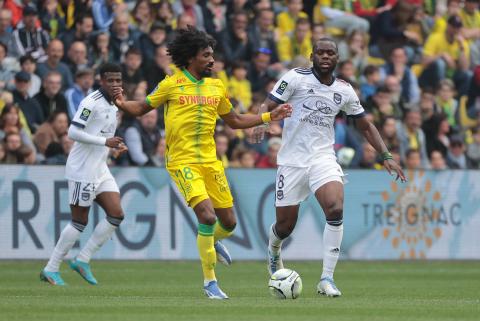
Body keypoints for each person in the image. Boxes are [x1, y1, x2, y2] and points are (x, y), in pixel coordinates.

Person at [112, 26, 292, 299]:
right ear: (191, 57)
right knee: (207, 217)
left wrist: (270, 117)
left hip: (211, 161)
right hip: (182, 162)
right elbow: (142, 108)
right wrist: (121, 102)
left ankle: (212, 241)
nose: (212, 59)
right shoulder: (171, 84)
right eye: (206, 55)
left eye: (212, 54)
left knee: (229, 223)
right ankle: (210, 283)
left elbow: (234, 122)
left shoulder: (216, 86)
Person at [251, 37, 405, 297]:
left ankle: (327, 278)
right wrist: (261, 121)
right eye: (320, 52)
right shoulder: (295, 78)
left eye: (330, 53)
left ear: (337, 59)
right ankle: (274, 249)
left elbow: (364, 124)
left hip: (322, 158)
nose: (325, 56)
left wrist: (385, 154)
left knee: (335, 206)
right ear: (312, 56)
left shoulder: (344, 90)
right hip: (291, 162)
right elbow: (269, 102)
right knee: (285, 226)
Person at [40, 63, 128, 286]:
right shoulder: (91, 102)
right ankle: (51, 269)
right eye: (111, 80)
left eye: (118, 80)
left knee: (116, 214)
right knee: (79, 221)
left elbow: (103, 134)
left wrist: (113, 146)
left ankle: (82, 260)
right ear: (101, 81)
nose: (116, 84)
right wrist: (105, 141)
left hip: (100, 168)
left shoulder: (115, 104)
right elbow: (73, 131)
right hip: (83, 170)